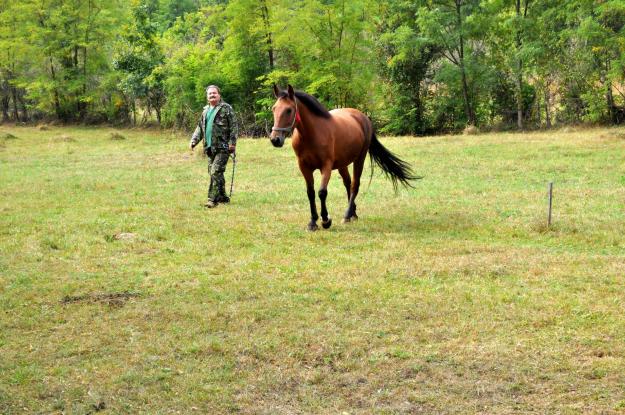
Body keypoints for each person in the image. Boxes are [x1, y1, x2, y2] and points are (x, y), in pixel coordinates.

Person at [190, 85, 238, 208]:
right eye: (210, 94)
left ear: (219, 95)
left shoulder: (226, 108)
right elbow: (200, 128)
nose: (212, 95)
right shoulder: (205, 111)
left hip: (223, 147)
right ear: (207, 97)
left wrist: (232, 143)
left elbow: (234, 126)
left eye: (214, 93)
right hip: (210, 147)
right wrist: (194, 141)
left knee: (215, 171)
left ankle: (212, 200)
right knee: (214, 173)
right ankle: (222, 197)